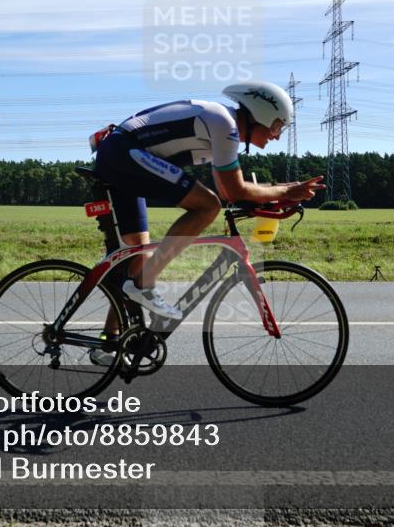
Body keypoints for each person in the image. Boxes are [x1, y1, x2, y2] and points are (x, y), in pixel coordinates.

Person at [90, 81, 325, 364]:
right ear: (259, 114)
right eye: (277, 127)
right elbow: (234, 192)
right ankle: (144, 284)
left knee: (139, 255)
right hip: (123, 153)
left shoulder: (224, 128)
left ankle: (107, 344)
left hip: (123, 154)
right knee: (207, 206)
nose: (277, 136)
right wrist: (286, 191)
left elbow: (229, 190)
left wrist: (284, 190)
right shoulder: (225, 125)